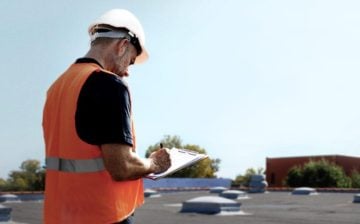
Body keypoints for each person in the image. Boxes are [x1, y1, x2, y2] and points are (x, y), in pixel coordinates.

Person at [42, 9, 171, 224]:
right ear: (122, 46)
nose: (127, 71)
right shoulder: (109, 85)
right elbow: (121, 166)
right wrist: (154, 164)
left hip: (60, 215)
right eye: (130, 61)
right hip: (101, 216)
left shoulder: (57, 87)